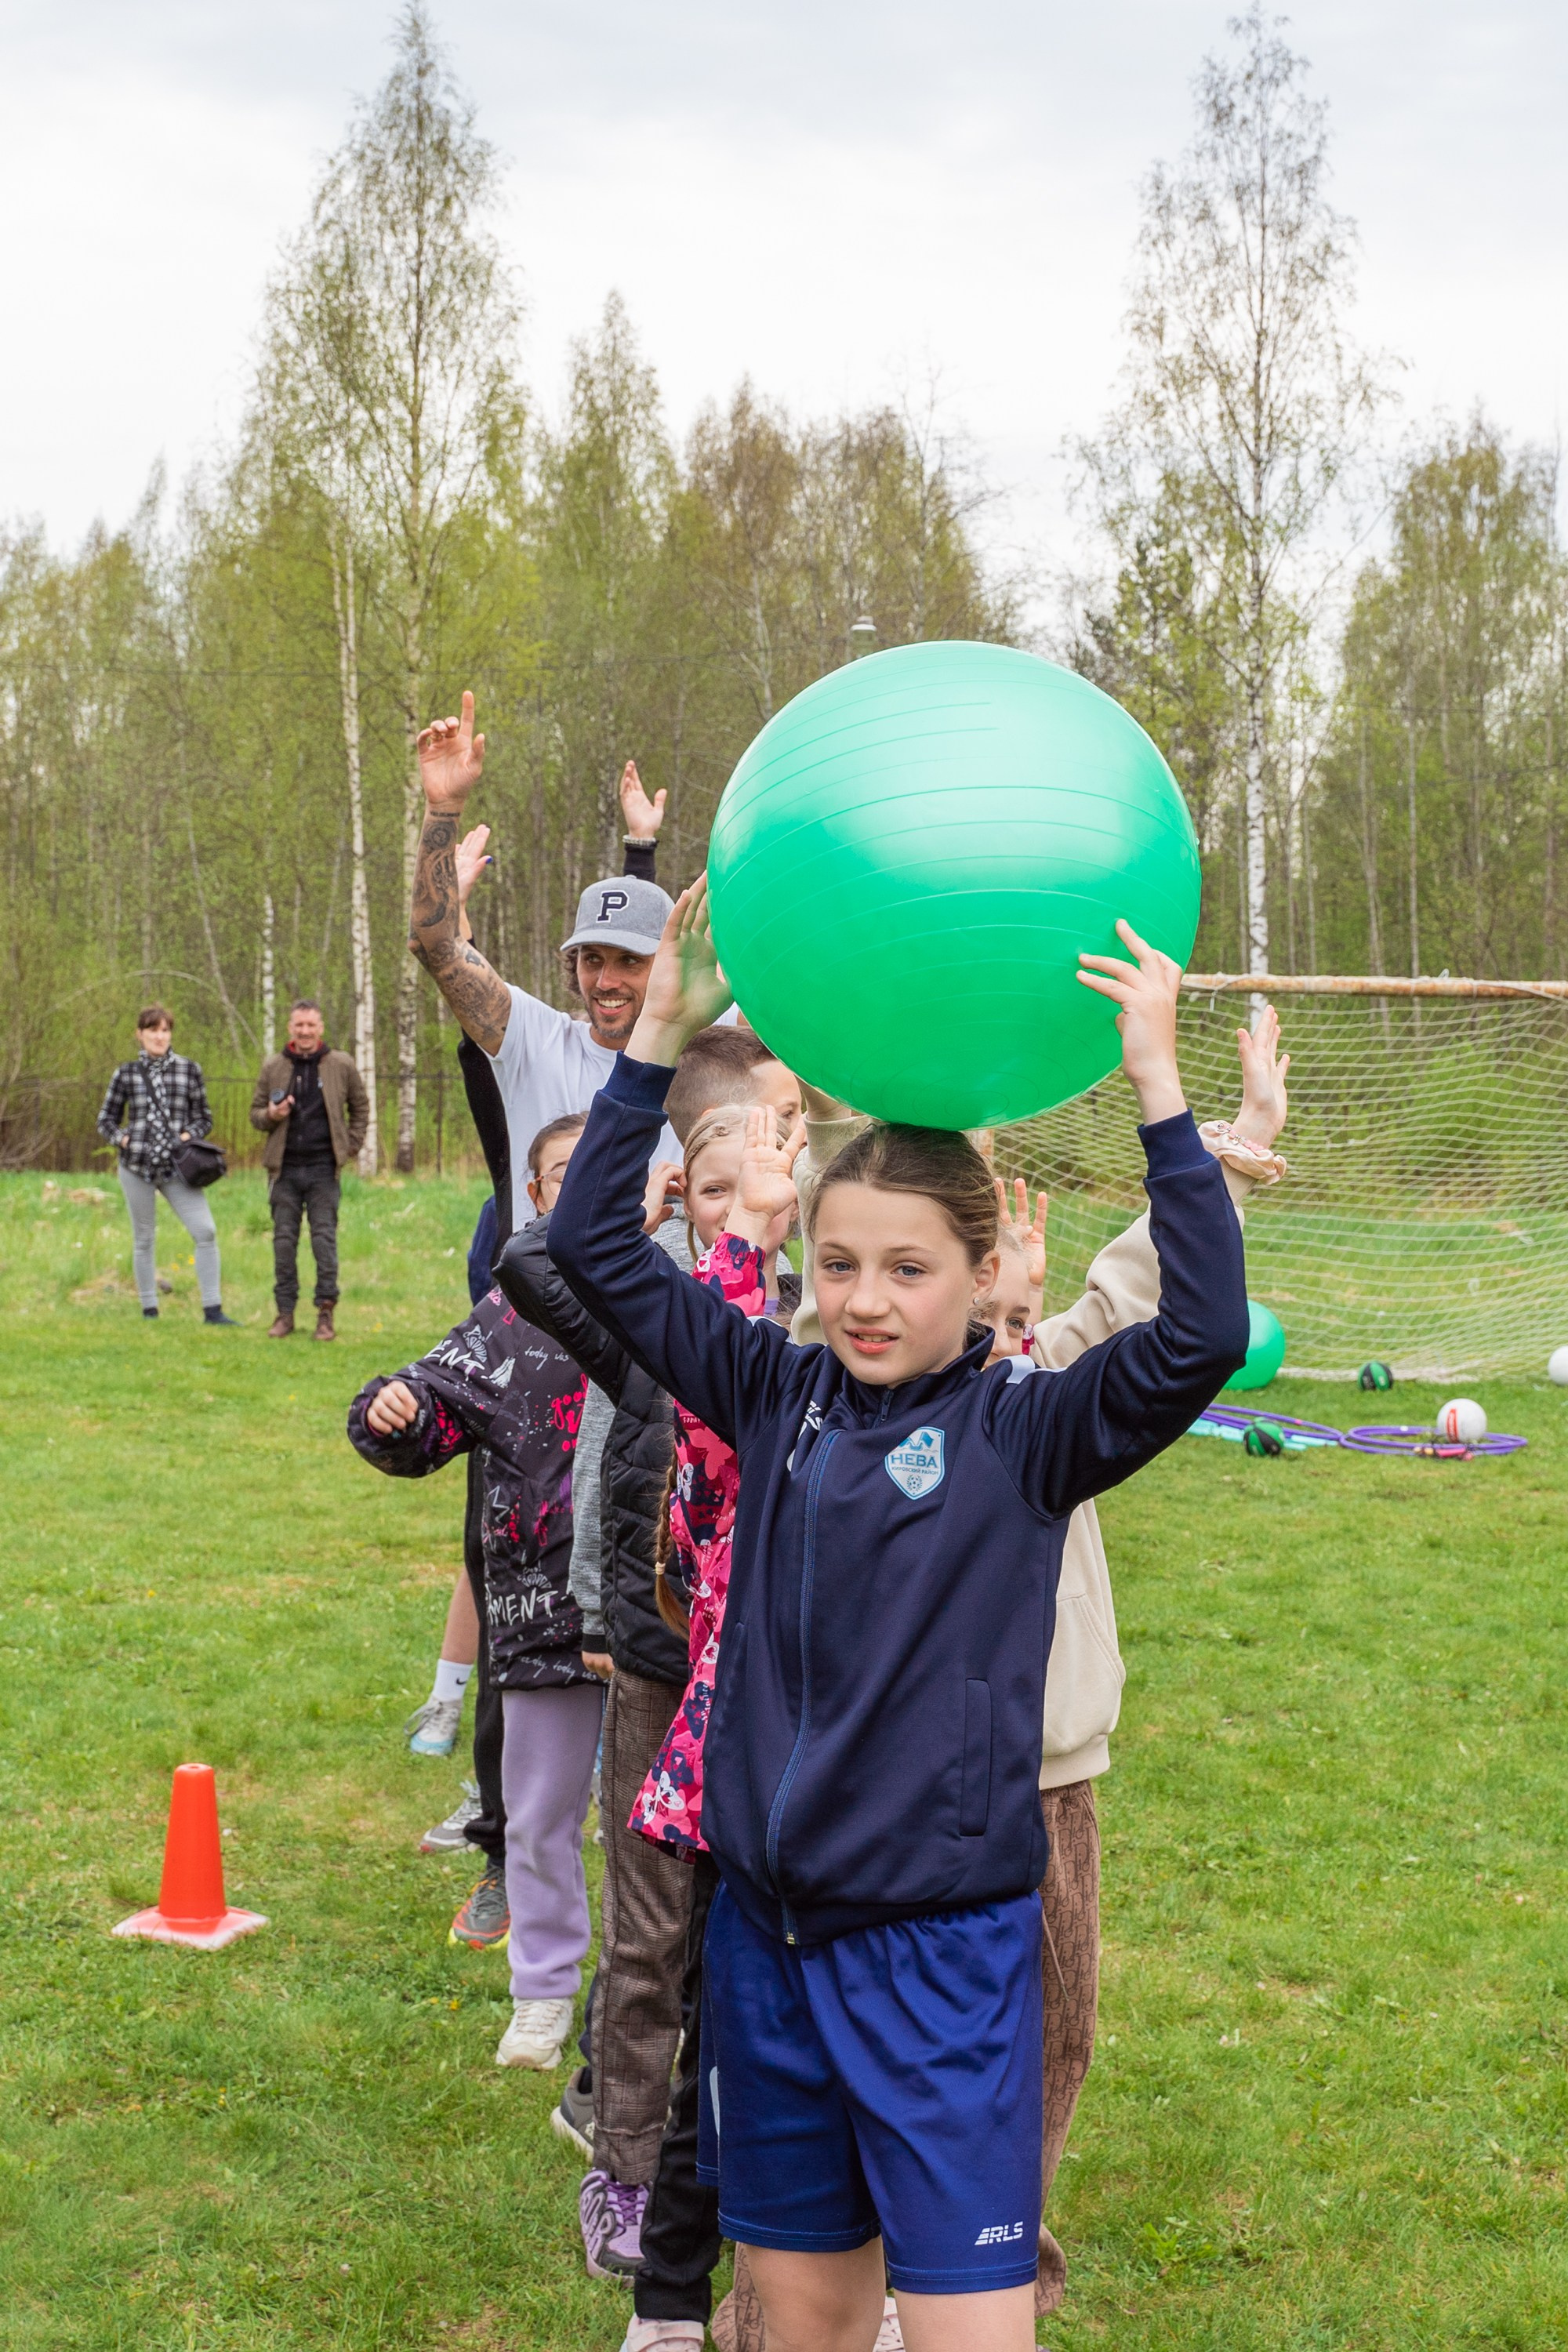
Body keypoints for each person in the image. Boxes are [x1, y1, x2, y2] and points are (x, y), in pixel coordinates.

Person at [548, 881, 1248, 2352]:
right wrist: (658, 1038)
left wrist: (1161, 1090)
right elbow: (595, 1252)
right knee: (798, 2324)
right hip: (769, 1956)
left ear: (985, 1277)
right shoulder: (772, 1389)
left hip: (940, 1974)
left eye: (909, 1270)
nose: (867, 1302)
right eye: (842, 1264)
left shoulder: (1028, 1432)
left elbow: (1200, 1335)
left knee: (970, 2336)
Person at [498, 1076, 801, 2290]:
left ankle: (738, 2170)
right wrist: (645, 1210)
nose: (734, 1209)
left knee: (749, 1943)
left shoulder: (820, 1327)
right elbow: (533, 1260)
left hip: (772, 1686)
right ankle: (620, 2172)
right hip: (657, 1669)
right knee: (647, 1940)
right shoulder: (653, 1321)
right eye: (709, 1189)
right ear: (684, 1197)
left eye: (753, 1188)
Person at [347, 1116, 601, 2074]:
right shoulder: (508, 1315)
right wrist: (393, 1410)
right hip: (542, 1617)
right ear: (532, 1198)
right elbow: (425, 1404)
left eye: (600, 1165)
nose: (581, 1183)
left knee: (661, 1831)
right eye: (561, 1172)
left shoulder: (678, 1292)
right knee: (535, 1820)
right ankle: (542, 1993)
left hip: (664, 1618)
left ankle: (650, 2004)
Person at [409, 696, 681, 1236]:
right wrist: (443, 808)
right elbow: (437, 946)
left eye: (630, 961)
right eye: (591, 959)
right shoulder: (536, 1041)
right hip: (544, 1291)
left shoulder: (702, 1046)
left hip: (670, 1290)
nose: (605, 981)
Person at [97, 1004, 235, 1327]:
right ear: (140, 1034)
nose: (159, 1037)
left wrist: (185, 1136)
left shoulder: (189, 1070)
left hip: (177, 1169)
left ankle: (213, 1311)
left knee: (205, 1231)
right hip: (136, 1168)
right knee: (144, 1239)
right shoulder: (126, 1073)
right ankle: (150, 1311)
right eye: (153, 1030)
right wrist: (124, 1140)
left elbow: (204, 1119)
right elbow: (106, 1120)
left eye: (165, 1030)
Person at [250, 999, 370, 1341]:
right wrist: (271, 1115)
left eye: (311, 1025)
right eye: (299, 1025)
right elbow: (255, 1114)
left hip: (323, 1171)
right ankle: (285, 1313)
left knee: (323, 1241)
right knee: (283, 1243)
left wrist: (349, 1146)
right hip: (284, 1171)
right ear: (291, 1028)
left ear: (320, 1028)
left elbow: (361, 1108)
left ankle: (325, 1313)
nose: (305, 1031)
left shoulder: (341, 1065)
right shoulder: (274, 1066)